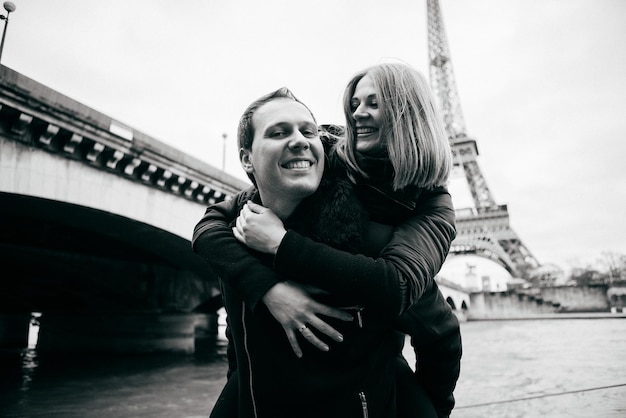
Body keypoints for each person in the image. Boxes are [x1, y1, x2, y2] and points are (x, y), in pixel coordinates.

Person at [193, 63, 460, 417]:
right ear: (247, 160)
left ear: (406, 116)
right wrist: (268, 289)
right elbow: (208, 226)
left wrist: (425, 410)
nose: (357, 113)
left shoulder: (394, 229)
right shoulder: (253, 222)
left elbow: (412, 303)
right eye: (354, 104)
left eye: (374, 104)